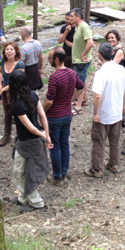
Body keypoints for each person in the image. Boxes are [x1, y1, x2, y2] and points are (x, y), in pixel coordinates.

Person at [9, 70, 53, 212]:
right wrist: (46, 134)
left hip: (27, 143)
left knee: (21, 172)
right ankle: (23, 197)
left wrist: (45, 135)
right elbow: (42, 116)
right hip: (32, 141)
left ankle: (36, 202)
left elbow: (31, 127)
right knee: (22, 171)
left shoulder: (17, 105)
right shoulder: (33, 95)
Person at [84, 43, 125, 178]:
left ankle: (96, 169)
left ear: (100, 55)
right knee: (115, 140)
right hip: (116, 111)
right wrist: (124, 104)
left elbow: (97, 95)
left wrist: (96, 113)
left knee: (99, 141)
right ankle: (113, 164)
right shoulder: (121, 69)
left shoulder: (101, 73)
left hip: (103, 114)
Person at [43, 47, 84, 186]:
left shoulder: (54, 77)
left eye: (49, 58)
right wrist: (71, 100)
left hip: (54, 117)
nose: (48, 60)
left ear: (56, 60)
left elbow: (49, 100)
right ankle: (65, 173)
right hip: (67, 114)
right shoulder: (72, 73)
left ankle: (57, 176)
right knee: (65, 144)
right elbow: (81, 87)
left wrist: (42, 112)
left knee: (54, 146)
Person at [0, 42, 25, 146]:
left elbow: (19, 81)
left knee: (18, 114)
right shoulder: (3, 62)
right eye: (7, 49)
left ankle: (19, 135)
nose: (9, 51)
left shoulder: (20, 64)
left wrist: (4, 89)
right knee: (7, 113)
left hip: (17, 91)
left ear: (16, 51)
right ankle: (7, 135)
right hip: (5, 90)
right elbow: (0, 72)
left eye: (11, 49)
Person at [70, 8, 94, 115]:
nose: (70, 18)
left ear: (78, 17)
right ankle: (82, 100)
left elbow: (90, 43)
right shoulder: (77, 27)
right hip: (78, 60)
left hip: (81, 61)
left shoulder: (84, 26)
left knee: (79, 84)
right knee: (83, 80)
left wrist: (83, 54)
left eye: (72, 16)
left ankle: (78, 107)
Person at [19, 26, 44, 91]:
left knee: (28, 90)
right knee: (35, 90)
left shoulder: (23, 48)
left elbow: (21, 63)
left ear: (23, 34)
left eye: (20, 33)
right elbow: (41, 57)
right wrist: (39, 68)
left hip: (28, 70)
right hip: (35, 68)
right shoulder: (38, 43)